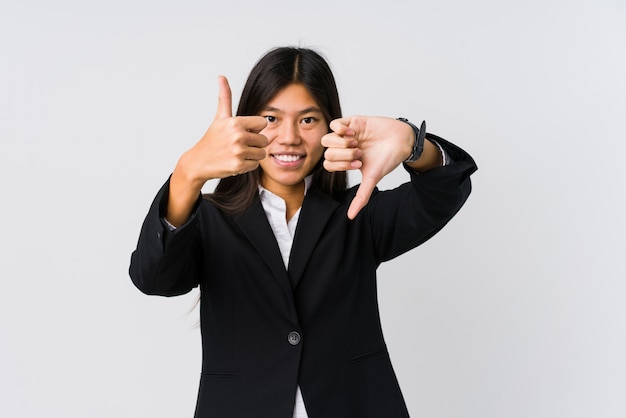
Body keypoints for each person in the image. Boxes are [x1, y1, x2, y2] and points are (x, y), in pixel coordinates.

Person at [129, 46, 477, 418]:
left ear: (330, 124)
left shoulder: (358, 213)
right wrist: (188, 173)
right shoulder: (210, 221)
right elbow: (154, 278)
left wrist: (411, 141)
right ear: (245, 123)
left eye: (308, 120)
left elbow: (445, 191)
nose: (289, 138)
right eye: (271, 118)